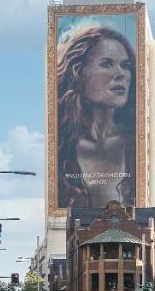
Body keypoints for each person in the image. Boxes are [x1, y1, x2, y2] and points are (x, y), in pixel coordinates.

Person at [55, 24, 137, 208]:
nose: (121, 74)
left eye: (126, 66)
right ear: (78, 72)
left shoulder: (136, 143)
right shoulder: (61, 146)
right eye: (107, 64)